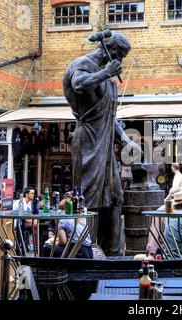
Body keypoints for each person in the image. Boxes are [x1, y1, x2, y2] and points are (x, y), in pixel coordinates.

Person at [63, 31, 136, 256]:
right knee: (88, 199)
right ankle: (87, 251)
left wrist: (124, 139)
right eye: (118, 53)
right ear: (108, 46)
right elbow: (79, 85)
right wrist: (105, 73)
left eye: (123, 56)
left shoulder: (106, 76)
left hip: (104, 143)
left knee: (115, 197)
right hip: (87, 140)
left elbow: (107, 116)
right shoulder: (83, 64)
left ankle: (112, 252)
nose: (120, 60)